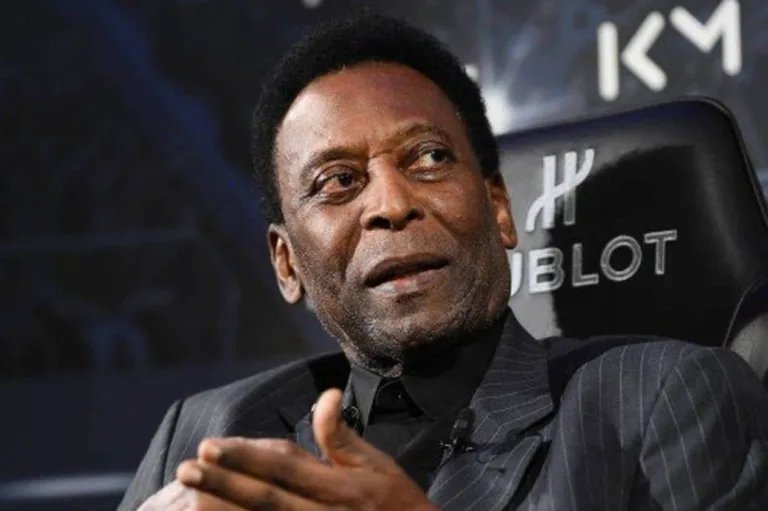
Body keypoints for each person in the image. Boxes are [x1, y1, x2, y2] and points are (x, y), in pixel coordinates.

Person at [118, 12, 768, 511]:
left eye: (429, 158)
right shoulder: (206, 433)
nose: (392, 204)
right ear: (286, 264)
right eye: (338, 181)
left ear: (500, 207)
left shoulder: (666, 398)